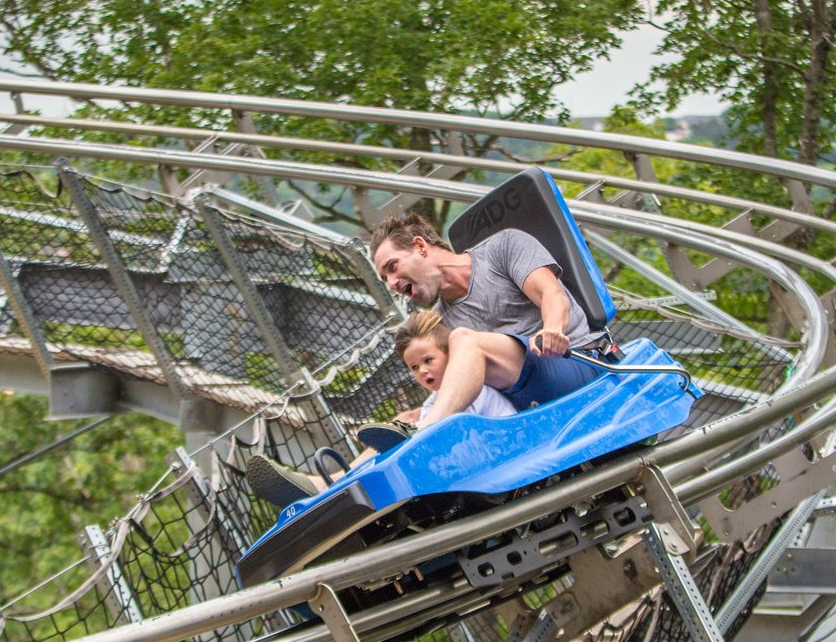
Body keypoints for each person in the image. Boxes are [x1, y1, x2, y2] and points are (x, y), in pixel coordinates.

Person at [247, 309, 516, 507]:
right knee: (392, 445)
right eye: (414, 367)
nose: (422, 371)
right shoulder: (432, 404)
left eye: (428, 360)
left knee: (404, 443)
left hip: (503, 456)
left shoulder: (472, 384)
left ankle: (337, 482)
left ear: (449, 355)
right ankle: (329, 484)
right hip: (463, 467)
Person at [369, 211, 607, 425]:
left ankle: (427, 432)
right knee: (408, 418)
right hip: (518, 405)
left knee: (465, 340)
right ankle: (343, 475)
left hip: (576, 364)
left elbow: (552, 295)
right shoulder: (440, 322)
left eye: (392, 267)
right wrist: (413, 418)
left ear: (420, 246)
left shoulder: (502, 248)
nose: (391, 284)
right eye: (384, 279)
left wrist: (553, 330)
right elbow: (453, 390)